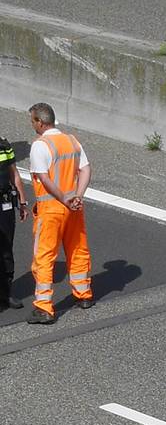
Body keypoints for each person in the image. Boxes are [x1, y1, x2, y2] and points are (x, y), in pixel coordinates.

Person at [26, 102, 93, 325]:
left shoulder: (40, 145)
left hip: (52, 209)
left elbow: (44, 179)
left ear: (40, 122)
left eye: (32, 120)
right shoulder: (71, 140)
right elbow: (85, 169)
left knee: (44, 256)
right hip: (74, 208)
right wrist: (77, 196)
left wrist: (63, 198)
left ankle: (44, 307)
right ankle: (83, 295)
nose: (32, 124)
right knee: (77, 249)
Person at [0, 133, 27, 310]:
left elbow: (14, 175)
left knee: (6, 250)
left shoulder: (4, 145)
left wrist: (22, 202)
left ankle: (6, 293)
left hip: (5, 204)